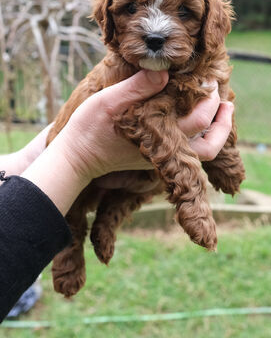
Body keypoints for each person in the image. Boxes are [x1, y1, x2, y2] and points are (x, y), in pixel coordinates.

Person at [0, 70, 233, 321]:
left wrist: (32, 159)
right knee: (77, 208)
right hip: (83, 179)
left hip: (123, 177)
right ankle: (72, 243)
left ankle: (108, 218)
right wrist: (75, 156)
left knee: (144, 184)